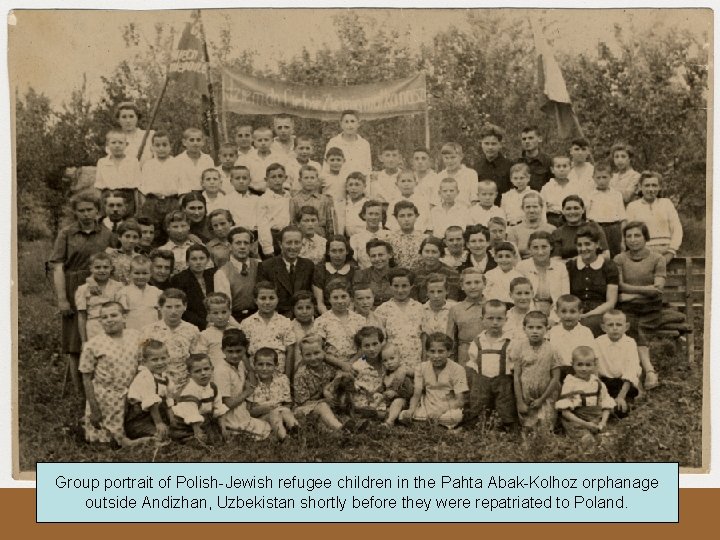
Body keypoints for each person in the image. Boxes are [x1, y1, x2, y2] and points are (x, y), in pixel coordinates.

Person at [79, 301, 142, 446]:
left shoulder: (135, 336)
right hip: (106, 397)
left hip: (132, 395)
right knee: (108, 441)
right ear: (100, 321)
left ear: (124, 317)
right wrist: (94, 408)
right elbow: (86, 378)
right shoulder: (93, 344)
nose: (110, 320)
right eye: (105, 317)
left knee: (134, 428)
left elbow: (142, 364)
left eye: (114, 315)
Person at [613, 221, 666, 390]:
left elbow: (658, 289)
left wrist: (631, 294)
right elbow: (619, 286)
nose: (633, 240)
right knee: (630, 327)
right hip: (628, 308)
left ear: (645, 237)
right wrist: (645, 290)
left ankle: (644, 372)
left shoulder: (658, 258)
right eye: (629, 236)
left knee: (640, 328)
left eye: (637, 235)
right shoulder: (619, 259)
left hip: (651, 307)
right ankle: (649, 371)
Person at [463, 300, 517, 431]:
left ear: (506, 320)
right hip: (482, 380)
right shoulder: (478, 342)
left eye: (499, 318)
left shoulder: (509, 341)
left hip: (503, 380)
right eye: (490, 318)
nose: (495, 322)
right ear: (482, 319)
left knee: (505, 404)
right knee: (479, 403)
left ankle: (505, 426)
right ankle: (477, 425)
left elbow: (514, 362)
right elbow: (473, 363)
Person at [399, 332, 468, 428]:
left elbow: (460, 400)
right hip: (427, 406)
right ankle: (432, 423)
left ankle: (428, 424)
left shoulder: (458, 369)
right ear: (427, 352)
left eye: (441, 351)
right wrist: (411, 410)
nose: (436, 356)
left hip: (447, 408)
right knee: (403, 415)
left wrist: (440, 410)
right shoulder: (421, 368)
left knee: (456, 416)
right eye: (432, 351)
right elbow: (416, 395)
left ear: (449, 352)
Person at [213, 330, 271, 440]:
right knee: (269, 429)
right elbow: (227, 404)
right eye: (230, 351)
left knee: (274, 416)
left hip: (242, 412)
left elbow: (253, 381)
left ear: (245, 349)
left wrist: (247, 364)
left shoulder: (240, 364)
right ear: (222, 350)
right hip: (230, 418)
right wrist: (247, 392)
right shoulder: (221, 370)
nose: (234, 355)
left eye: (239, 351)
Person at [141, 288, 201, 390]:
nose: (173, 311)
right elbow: (142, 361)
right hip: (156, 385)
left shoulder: (192, 330)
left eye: (178, 306)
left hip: (184, 384)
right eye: (168, 307)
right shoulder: (148, 331)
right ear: (160, 308)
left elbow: (195, 360)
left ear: (185, 307)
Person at [567, 226, 619, 337]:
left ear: (597, 245)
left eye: (587, 244)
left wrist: (588, 315)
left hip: (600, 312)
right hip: (574, 311)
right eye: (579, 245)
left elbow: (611, 302)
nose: (583, 248)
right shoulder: (571, 266)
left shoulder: (608, 266)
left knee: (588, 326)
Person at [510, 311, 558, 430]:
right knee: (528, 428)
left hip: (546, 395)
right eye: (530, 327)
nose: (535, 331)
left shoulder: (552, 349)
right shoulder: (519, 347)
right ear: (524, 329)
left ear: (546, 329)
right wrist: (520, 401)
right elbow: (516, 376)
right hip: (526, 396)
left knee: (545, 428)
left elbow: (555, 377)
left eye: (539, 327)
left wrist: (542, 399)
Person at [555, 346, 615, 442]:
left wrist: (603, 422)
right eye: (579, 365)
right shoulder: (570, 383)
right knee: (587, 441)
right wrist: (586, 424)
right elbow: (565, 413)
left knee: (607, 439)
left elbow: (606, 403)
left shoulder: (597, 382)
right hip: (577, 420)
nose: (584, 369)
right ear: (572, 365)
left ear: (594, 365)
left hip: (596, 418)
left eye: (588, 365)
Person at [239, 281, 296, 377]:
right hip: (256, 375)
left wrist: (287, 377)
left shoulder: (285, 322)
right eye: (263, 298)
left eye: (272, 298)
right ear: (255, 300)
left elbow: (290, 352)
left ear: (278, 299)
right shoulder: (247, 323)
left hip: (279, 375)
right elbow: (243, 351)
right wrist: (250, 374)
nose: (267, 302)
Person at [293, 334, 348, 432]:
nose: (313, 358)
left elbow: (340, 374)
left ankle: (336, 432)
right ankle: (341, 430)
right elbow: (303, 402)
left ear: (324, 352)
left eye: (317, 353)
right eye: (308, 355)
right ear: (302, 355)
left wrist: (330, 386)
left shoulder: (328, 367)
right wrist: (323, 396)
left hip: (327, 407)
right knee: (322, 407)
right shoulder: (300, 375)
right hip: (305, 410)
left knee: (326, 421)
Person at [257, 225, 315, 318]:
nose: (293, 247)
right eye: (289, 242)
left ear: (302, 244)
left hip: (303, 316)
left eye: (297, 242)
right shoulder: (266, 266)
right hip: (277, 317)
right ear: (280, 244)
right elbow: (263, 298)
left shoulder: (308, 265)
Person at [124, 339, 176, 441]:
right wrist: (159, 423)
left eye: (163, 358)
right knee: (161, 437)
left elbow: (169, 400)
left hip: (156, 415)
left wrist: (172, 419)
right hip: (140, 420)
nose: (160, 363)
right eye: (155, 360)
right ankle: (131, 443)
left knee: (174, 433)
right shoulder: (145, 376)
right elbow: (152, 403)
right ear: (144, 361)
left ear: (168, 358)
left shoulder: (165, 377)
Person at [625, 171, 683, 263]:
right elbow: (629, 234)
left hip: (667, 252)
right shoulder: (632, 206)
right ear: (640, 187)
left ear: (659, 187)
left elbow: (677, 229)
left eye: (654, 185)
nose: (651, 189)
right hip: (642, 253)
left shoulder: (666, 203)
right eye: (647, 185)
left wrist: (671, 251)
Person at [594, 310, 642, 416]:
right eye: (610, 325)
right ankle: (607, 407)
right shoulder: (597, 342)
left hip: (624, 384)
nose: (615, 328)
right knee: (597, 404)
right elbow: (595, 369)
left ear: (626, 327)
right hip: (604, 384)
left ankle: (622, 404)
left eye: (619, 325)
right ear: (603, 327)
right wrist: (603, 395)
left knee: (621, 410)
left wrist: (621, 396)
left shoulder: (630, 343)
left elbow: (631, 370)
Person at [171, 354, 229, 442]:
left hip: (204, 419)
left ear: (212, 369)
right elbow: (192, 416)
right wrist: (198, 434)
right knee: (197, 442)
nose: (203, 373)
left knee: (219, 438)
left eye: (206, 369)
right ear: (190, 374)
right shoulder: (190, 391)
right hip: (185, 424)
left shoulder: (213, 387)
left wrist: (223, 428)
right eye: (197, 371)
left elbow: (219, 407)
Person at [375, 268, 425, 369]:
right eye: (396, 286)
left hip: (415, 361)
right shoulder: (383, 309)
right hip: (392, 362)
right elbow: (380, 339)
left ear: (411, 286)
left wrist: (424, 361)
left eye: (404, 286)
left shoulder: (419, 307)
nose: (400, 290)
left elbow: (423, 337)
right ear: (390, 286)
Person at [247, 347, 297, 441]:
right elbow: (249, 412)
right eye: (260, 364)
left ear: (276, 365)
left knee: (283, 411)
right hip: (261, 419)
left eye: (269, 365)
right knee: (274, 413)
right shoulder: (251, 382)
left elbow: (288, 403)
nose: (264, 368)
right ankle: (284, 438)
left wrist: (280, 409)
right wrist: (264, 409)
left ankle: (295, 429)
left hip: (282, 416)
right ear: (254, 365)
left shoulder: (282, 379)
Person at [224, 165, 274, 258]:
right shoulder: (226, 200)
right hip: (235, 238)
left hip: (255, 238)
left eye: (244, 178)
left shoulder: (257, 199)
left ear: (250, 180)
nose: (241, 181)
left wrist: (265, 246)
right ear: (231, 181)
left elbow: (262, 222)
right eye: (237, 178)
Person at [139, 130, 181, 236]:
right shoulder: (148, 165)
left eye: (164, 145)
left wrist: (178, 204)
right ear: (152, 147)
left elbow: (182, 187)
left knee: (171, 230)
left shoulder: (177, 164)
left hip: (171, 201)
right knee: (153, 230)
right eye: (157, 145)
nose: (161, 148)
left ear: (170, 146)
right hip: (152, 202)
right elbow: (142, 189)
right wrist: (146, 205)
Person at [516, 230, 569, 314]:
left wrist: (554, 318)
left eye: (544, 247)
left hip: (556, 312)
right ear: (530, 248)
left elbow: (564, 297)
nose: (540, 252)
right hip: (527, 312)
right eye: (535, 247)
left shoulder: (560, 267)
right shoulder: (522, 267)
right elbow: (518, 296)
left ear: (551, 247)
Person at [75, 252, 123, 343]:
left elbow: (122, 312)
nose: (102, 270)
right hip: (94, 327)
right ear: (91, 269)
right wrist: (83, 341)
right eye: (97, 267)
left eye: (105, 267)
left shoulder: (118, 287)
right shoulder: (83, 289)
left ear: (111, 268)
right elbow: (82, 316)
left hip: (113, 325)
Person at [547, 295, 597, 383]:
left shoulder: (585, 332)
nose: (568, 316)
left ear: (580, 312)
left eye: (572, 312)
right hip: (558, 373)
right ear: (557, 313)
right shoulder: (553, 331)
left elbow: (593, 356)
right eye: (563, 311)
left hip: (580, 371)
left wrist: (595, 379)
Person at [314, 280, 367, 363]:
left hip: (355, 362)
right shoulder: (321, 321)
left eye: (344, 296)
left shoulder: (359, 320)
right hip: (331, 363)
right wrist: (341, 365)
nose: (340, 301)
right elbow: (318, 349)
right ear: (329, 299)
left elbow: (364, 346)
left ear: (350, 298)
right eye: (335, 297)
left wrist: (350, 363)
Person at [214, 227, 259, 322]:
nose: (242, 247)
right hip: (235, 319)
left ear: (251, 246)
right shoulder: (222, 273)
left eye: (246, 243)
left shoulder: (260, 265)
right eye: (238, 243)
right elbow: (224, 308)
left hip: (258, 317)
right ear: (230, 246)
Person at [169, 244, 216, 331]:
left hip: (215, 322)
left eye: (202, 258)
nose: (198, 262)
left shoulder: (213, 275)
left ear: (208, 260)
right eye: (194, 259)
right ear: (187, 262)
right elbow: (181, 307)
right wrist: (204, 324)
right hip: (192, 325)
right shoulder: (179, 279)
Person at [584, 160, 626, 258]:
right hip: (597, 228)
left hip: (614, 229)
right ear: (593, 178)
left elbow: (622, 217)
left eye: (604, 177)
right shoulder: (590, 195)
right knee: (599, 256)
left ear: (611, 176)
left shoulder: (616, 194)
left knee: (616, 256)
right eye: (598, 178)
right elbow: (587, 217)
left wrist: (623, 239)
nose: (601, 181)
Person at [95, 129, 141, 216]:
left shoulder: (133, 162)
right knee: (107, 224)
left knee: (127, 225)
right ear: (107, 145)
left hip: (127, 197)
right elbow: (99, 187)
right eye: (113, 142)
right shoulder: (102, 162)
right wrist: (98, 208)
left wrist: (138, 209)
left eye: (120, 142)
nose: (117, 145)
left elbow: (136, 188)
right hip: (107, 197)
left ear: (126, 145)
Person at [550, 195, 610, 261]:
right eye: (568, 209)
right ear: (563, 211)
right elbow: (555, 260)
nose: (572, 212)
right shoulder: (558, 233)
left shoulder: (594, 227)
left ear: (583, 210)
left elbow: (606, 255)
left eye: (576, 208)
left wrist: (585, 261)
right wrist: (577, 261)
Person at [446, 268, 485, 365]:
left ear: (484, 284)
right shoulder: (456, 309)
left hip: (488, 354)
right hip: (464, 356)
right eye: (468, 283)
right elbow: (451, 341)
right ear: (462, 286)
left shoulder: (492, 306)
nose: (473, 286)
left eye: (477, 282)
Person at [312, 235, 357, 314]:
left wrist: (346, 318)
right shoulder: (319, 270)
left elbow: (352, 302)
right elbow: (320, 303)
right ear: (328, 252)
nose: (337, 255)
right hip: (325, 313)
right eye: (333, 251)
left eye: (341, 250)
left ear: (347, 251)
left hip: (349, 313)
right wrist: (330, 319)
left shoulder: (354, 271)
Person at [236, 126, 288, 193]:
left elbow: (287, 178)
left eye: (266, 140)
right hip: (253, 193)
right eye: (259, 140)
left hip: (276, 192)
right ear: (254, 142)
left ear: (272, 141)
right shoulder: (245, 159)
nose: (263, 143)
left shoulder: (281, 158)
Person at [290, 165, 336, 238]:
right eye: (306, 178)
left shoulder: (324, 199)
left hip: (320, 237)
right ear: (300, 180)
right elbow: (292, 222)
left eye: (312, 178)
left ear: (317, 180)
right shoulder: (294, 200)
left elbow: (330, 223)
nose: (309, 181)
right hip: (301, 238)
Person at [118, 255, 162, 331]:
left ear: (151, 274)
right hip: (132, 330)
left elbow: (161, 314)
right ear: (130, 273)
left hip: (152, 330)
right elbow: (122, 316)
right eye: (137, 273)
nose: (141, 277)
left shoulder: (156, 292)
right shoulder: (124, 292)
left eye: (145, 273)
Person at [411, 236, 461, 303]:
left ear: (440, 253)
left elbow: (452, 300)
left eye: (434, 252)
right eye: (427, 251)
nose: (430, 255)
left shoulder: (452, 273)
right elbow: (414, 302)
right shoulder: (415, 274)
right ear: (421, 252)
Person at [506, 192, 554, 259]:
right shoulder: (514, 231)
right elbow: (512, 256)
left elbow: (555, 255)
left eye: (535, 207)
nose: (531, 210)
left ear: (541, 207)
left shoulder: (551, 229)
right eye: (528, 207)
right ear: (522, 208)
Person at [197, 292, 239, 367]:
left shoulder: (236, 331)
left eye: (224, 312)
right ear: (209, 314)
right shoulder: (204, 335)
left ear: (230, 311)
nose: (220, 317)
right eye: (215, 313)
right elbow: (201, 359)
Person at [325, 110, 372, 177]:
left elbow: (367, 171)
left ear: (358, 123)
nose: (350, 125)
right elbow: (326, 168)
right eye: (346, 122)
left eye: (352, 121)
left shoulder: (364, 144)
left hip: (357, 184)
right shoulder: (333, 142)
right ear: (341, 124)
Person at [540, 155, 584, 227]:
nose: (561, 169)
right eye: (558, 166)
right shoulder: (547, 187)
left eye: (565, 166)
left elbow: (582, 205)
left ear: (570, 168)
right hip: (553, 219)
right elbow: (543, 207)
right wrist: (545, 225)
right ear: (552, 170)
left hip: (572, 217)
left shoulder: (576, 186)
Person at [257, 163, 292, 252]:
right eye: (273, 177)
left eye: (280, 176)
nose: (277, 180)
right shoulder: (264, 199)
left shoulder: (289, 197)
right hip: (273, 237)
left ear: (285, 178)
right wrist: (267, 247)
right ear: (266, 179)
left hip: (289, 236)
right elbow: (262, 224)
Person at [475, 123, 513, 203]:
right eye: (486, 143)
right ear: (481, 144)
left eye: (494, 144)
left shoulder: (510, 166)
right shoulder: (476, 167)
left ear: (500, 145)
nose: (490, 147)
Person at [349, 199, 392, 269]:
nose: (374, 217)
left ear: (382, 217)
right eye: (370, 214)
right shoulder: (356, 239)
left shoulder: (390, 235)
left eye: (377, 214)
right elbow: (354, 262)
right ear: (364, 215)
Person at [352, 239, 395, 307]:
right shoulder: (361, 275)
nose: (377, 259)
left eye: (380, 255)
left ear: (390, 255)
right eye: (373, 256)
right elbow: (357, 301)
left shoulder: (398, 275)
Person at [387, 200, 427, 270]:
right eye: (402, 216)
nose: (406, 219)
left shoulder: (425, 239)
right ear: (396, 218)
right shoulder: (389, 239)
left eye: (410, 215)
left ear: (416, 216)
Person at [175, 128, 215, 196]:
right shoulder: (177, 160)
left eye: (198, 140)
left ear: (203, 142)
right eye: (191, 140)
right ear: (184, 142)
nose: (195, 143)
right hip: (184, 195)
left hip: (205, 195)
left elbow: (212, 179)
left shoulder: (208, 159)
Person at [421, 273, 457, 347]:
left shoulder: (454, 308)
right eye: (432, 292)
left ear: (447, 291)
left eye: (439, 291)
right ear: (427, 292)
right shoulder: (420, 310)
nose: (436, 296)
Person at [501, 163, 539, 227]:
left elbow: (541, 217)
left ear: (528, 178)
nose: (518, 181)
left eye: (522, 178)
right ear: (511, 179)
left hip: (528, 227)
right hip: (510, 228)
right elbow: (502, 216)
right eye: (515, 178)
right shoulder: (506, 196)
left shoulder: (535, 194)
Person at [160, 211, 197, 276]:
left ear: (189, 226)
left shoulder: (197, 247)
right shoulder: (162, 250)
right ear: (168, 228)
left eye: (183, 226)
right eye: (175, 227)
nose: (180, 230)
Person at [515, 125, 552, 191]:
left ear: (540, 139)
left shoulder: (548, 162)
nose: (527, 141)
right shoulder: (516, 162)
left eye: (531, 138)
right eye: (524, 139)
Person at [105, 219, 141, 284]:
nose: (131, 240)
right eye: (127, 236)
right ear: (119, 237)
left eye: (135, 237)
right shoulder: (111, 255)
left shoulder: (140, 259)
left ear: (139, 240)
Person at [342, 171, 369, 237]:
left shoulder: (368, 204)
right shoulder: (344, 204)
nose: (353, 188)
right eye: (350, 185)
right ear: (346, 187)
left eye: (357, 184)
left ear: (364, 187)